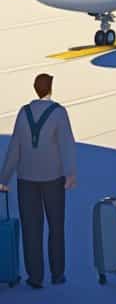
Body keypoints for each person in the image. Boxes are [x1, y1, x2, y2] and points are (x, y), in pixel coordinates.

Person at [0, 73, 77, 289]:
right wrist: (70, 173)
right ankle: (57, 273)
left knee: (31, 229)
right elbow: (66, 145)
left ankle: (35, 276)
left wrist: (4, 178)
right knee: (56, 227)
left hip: (26, 179)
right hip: (53, 179)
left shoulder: (23, 114)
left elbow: (14, 148)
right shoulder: (59, 113)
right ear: (51, 89)